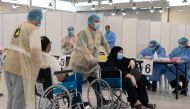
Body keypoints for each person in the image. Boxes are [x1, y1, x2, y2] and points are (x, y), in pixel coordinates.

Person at [4, 9, 44, 109]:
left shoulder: (19, 27)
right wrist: (41, 64)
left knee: (12, 96)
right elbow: (35, 51)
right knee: (19, 98)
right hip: (20, 67)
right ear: (37, 19)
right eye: (40, 20)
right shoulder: (34, 29)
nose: (40, 22)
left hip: (8, 64)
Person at [69, 14, 110, 106]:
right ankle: (77, 102)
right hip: (80, 64)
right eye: (96, 21)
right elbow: (84, 50)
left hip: (91, 65)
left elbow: (105, 44)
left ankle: (100, 100)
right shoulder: (83, 32)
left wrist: (109, 55)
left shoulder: (99, 33)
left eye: (99, 21)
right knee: (77, 84)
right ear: (90, 23)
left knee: (96, 82)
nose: (98, 23)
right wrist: (94, 60)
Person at [41, 36, 83, 103]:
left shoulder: (35, 59)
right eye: (50, 43)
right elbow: (61, 79)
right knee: (78, 75)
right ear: (48, 45)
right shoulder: (52, 59)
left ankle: (72, 99)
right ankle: (77, 102)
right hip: (55, 87)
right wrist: (65, 70)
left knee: (68, 76)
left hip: (40, 88)